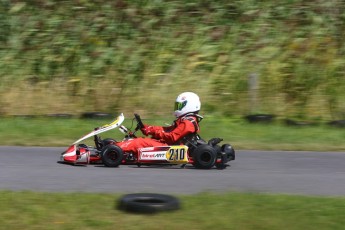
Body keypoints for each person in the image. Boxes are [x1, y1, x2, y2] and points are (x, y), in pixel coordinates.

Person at [115, 92, 203, 154]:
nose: (177, 108)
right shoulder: (185, 119)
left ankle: (114, 149)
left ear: (189, 106)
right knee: (138, 140)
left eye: (179, 106)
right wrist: (149, 128)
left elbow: (172, 137)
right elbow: (167, 130)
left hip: (172, 147)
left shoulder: (188, 122)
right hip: (169, 145)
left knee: (140, 142)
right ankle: (113, 146)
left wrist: (154, 132)